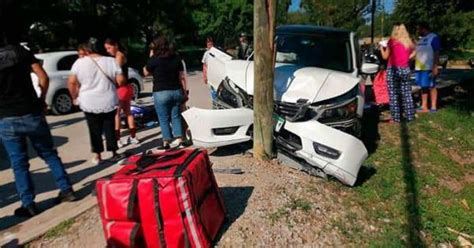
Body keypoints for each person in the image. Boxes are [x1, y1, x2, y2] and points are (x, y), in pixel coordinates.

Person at [0, 0, 76, 217]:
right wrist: (41, 99)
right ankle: (67, 190)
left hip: (6, 117)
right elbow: (42, 77)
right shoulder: (21, 52)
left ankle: (28, 203)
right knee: (49, 154)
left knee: (19, 163)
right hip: (31, 110)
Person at [68, 38, 126, 165]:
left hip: (88, 101)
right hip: (108, 99)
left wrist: (74, 97)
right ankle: (114, 153)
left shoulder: (79, 63)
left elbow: (72, 82)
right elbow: (121, 80)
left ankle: (97, 155)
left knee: (94, 128)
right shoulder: (111, 61)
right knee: (109, 126)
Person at [143, 36, 188, 149]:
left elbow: (145, 72)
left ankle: (166, 141)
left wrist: (150, 57)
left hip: (161, 92)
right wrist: (184, 91)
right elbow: (181, 76)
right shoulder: (176, 58)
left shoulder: (154, 59)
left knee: (163, 118)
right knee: (176, 116)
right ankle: (179, 139)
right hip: (176, 91)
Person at [104, 38, 139, 147]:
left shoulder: (119, 56)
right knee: (128, 112)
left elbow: (116, 73)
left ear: (116, 45)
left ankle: (118, 140)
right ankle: (133, 137)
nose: (108, 51)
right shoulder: (121, 55)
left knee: (117, 114)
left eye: (109, 48)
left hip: (120, 88)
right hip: (127, 87)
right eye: (106, 49)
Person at [380, 23, 416, 123]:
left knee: (394, 94)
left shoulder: (392, 41)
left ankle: (396, 118)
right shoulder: (408, 42)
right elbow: (415, 51)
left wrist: (381, 48)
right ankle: (410, 116)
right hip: (405, 69)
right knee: (407, 94)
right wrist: (408, 58)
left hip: (393, 69)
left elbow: (385, 57)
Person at [415, 21, 441, 113]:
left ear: (423, 28)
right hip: (419, 67)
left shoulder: (433, 37)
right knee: (423, 87)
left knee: (431, 86)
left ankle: (433, 106)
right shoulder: (420, 40)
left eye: (419, 29)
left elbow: (436, 52)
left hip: (429, 66)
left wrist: (435, 66)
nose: (417, 31)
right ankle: (424, 106)